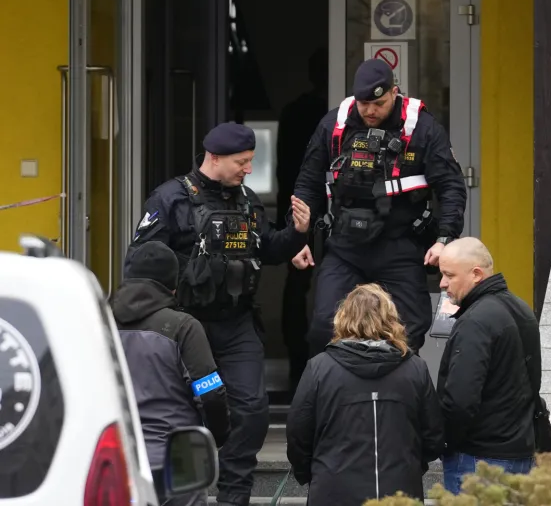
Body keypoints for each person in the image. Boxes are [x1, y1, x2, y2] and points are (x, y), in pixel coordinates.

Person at [124, 122, 311, 506]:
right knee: (190, 406)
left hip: (237, 321)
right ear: (215, 158)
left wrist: (297, 233)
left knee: (253, 410)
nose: (247, 169)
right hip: (185, 324)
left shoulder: (246, 199)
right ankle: (184, 493)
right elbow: (140, 260)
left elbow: (268, 249)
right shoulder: (170, 198)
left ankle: (233, 495)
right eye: (241, 162)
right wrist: (195, 267)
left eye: (249, 162)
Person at [290, 58, 467, 356]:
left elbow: (451, 187)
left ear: (395, 93)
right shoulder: (334, 124)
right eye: (363, 104)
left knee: (408, 332)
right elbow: (308, 183)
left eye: (379, 103)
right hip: (346, 246)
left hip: (400, 245)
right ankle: (343, 393)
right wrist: (299, 239)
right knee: (324, 328)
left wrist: (444, 240)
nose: (370, 111)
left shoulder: (422, 129)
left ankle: (393, 395)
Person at [286, 283, 444, 505]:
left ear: (343, 317)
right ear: (391, 318)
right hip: (400, 491)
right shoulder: (415, 369)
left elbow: (298, 434)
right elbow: (433, 437)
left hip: (333, 490)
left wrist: (310, 473)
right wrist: (411, 467)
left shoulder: (319, 368)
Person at [112, 241, 230, 506]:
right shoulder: (183, 327)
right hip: (180, 462)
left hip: (119, 459)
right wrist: (218, 437)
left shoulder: (99, 323)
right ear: (173, 285)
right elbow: (210, 393)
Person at [435, 237, 539, 493]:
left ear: (476, 274)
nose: (442, 284)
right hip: (519, 453)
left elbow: (460, 400)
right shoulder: (521, 308)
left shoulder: (476, 320)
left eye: (449, 275)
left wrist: (443, 442)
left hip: (477, 459)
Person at [276, 47, 330, 391]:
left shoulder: (296, 110)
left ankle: (301, 366)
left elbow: (284, 170)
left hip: (299, 205)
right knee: (304, 287)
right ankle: (310, 367)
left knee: (298, 286)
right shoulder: (329, 116)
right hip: (316, 208)